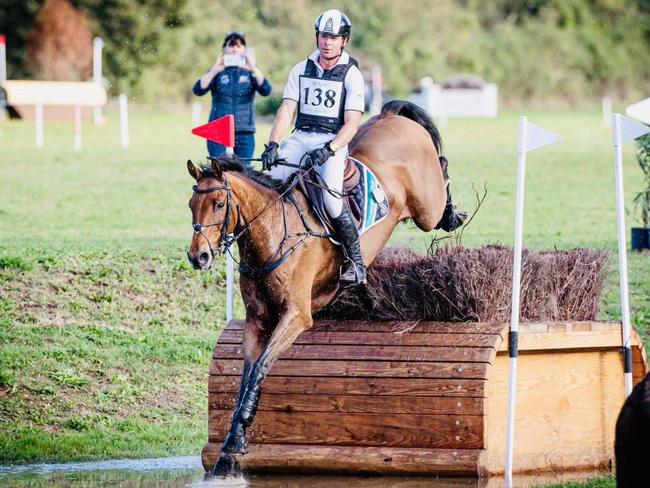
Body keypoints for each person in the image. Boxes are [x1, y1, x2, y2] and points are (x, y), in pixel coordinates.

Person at [261, 9, 366, 288]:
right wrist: (273, 143)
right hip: (301, 136)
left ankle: (356, 261)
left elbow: (352, 124)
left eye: (333, 37)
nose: (327, 42)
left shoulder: (352, 74)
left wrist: (330, 149)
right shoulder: (300, 68)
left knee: (331, 200)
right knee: (271, 183)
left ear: (344, 40)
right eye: (323, 36)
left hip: (333, 141)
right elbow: (286, 110)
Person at [192, 32, 272, 163]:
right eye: (231, 45)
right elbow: (198, 90)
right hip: (218, 129)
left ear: (245, 50)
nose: (235, 49)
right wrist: (214, 70)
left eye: (239, 46)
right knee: (219, 172)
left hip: (244, 130)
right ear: (224, 49)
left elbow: (266, 90)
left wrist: (253, 69)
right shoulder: (216, 72)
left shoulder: (251, 73)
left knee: (243, 174)